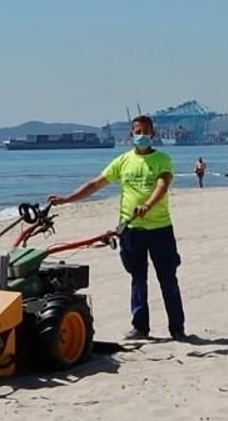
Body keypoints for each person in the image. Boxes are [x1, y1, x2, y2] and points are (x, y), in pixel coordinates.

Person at [50, 114, 187, 341]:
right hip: (131, 230)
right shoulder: (123, 161)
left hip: (160, 228)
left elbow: (163, 185)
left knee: (168, 277)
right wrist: (66, 199)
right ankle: (140, 327)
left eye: (146, 132)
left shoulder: (163, 159)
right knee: (137, 278)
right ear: (131, 134)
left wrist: (148, 205)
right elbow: (95, 184)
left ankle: (177, 328)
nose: (142, 136)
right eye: (138, 132)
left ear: (153, 134)